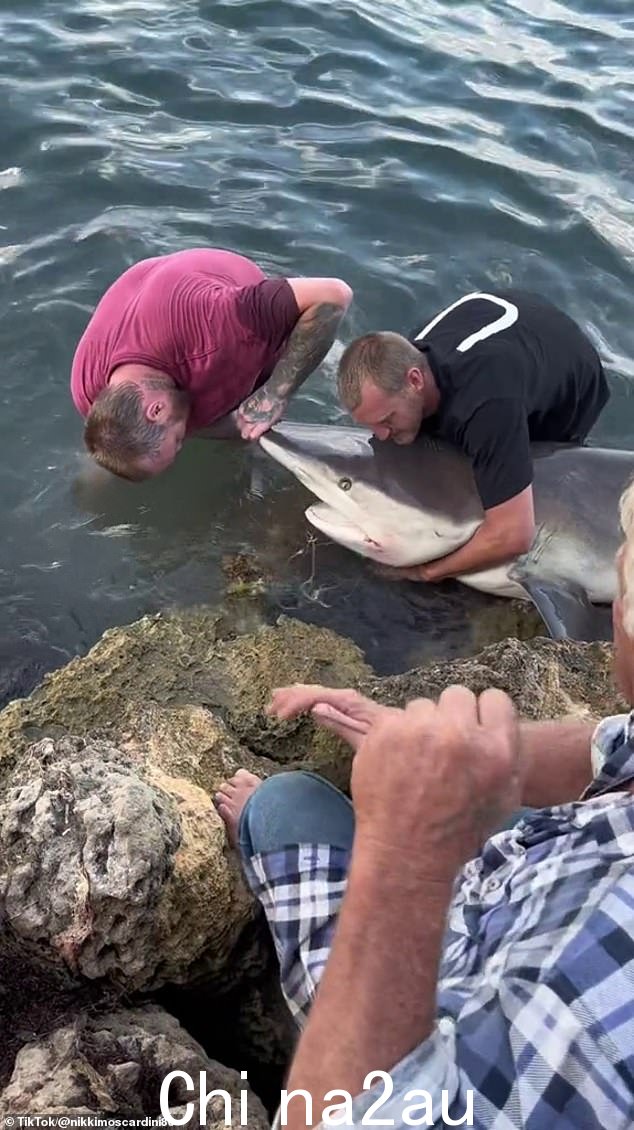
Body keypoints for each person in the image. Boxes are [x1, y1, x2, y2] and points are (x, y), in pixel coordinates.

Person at [212, 478, 634, 1129]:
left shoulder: (582, 1005)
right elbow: (612, 749)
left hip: (445, 1010)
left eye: (623, 581)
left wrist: (404, 856)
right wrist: (455, 756)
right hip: (542, 873)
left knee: (281, 805)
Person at [336, 289, 610, 583]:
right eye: (370, 424)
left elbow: (515, 537)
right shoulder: (406, 360)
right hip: (513, 324)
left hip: (570, 373)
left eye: (387, 419)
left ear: (415, 380)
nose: (380, 435)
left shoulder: (487, 406)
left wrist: (426, 572)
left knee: (537, 479)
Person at [70, 247, 352, 480]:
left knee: (257, 414)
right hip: (150, 285)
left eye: (179, 442)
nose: (183, 444)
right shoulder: (86, 391)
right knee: (233, 432)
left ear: (156, 409)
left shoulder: (218, 322)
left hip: (216, 290)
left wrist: (276, 393)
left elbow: (333, 295)